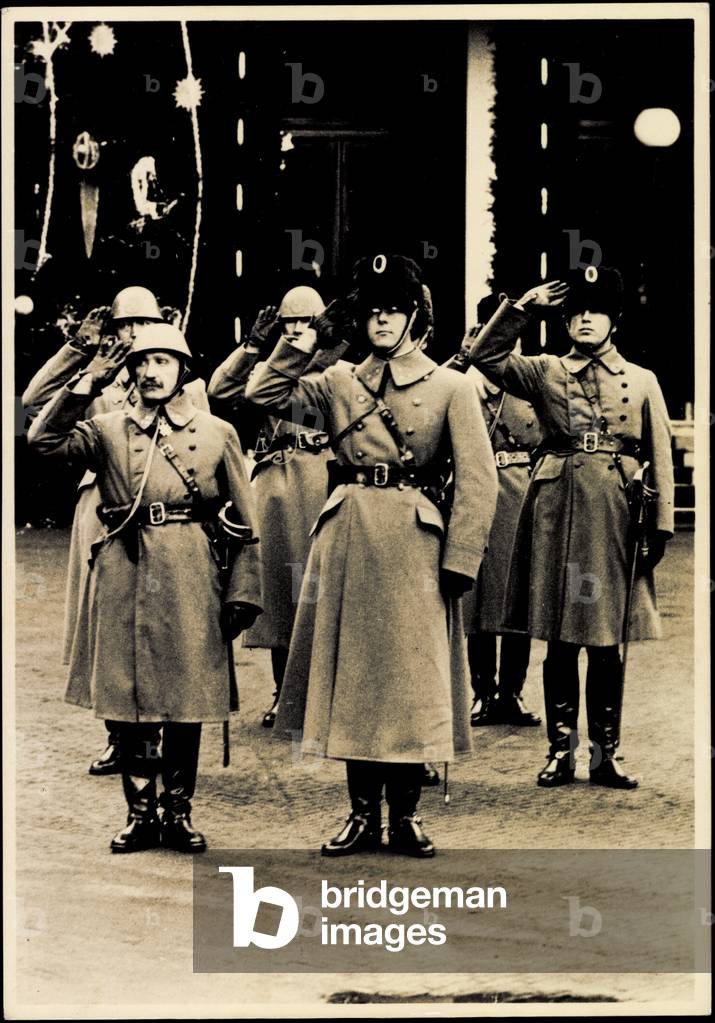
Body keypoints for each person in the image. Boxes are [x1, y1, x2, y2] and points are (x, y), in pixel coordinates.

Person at [245, 254, 497, 857]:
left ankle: (405, 815)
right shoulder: (338, 383)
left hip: (415, 542)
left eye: (393, 310)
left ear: (416, 316)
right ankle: (361, 813)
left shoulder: (451, 387)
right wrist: (311, 339)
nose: (381, 321)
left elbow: (479, 479)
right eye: (372, 310)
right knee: (356, 679)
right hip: (351, 533)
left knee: (409, 682)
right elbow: (260, 389)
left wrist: (461, 557)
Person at [28, 322, 262, 852]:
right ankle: (140, 813)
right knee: (126, 698)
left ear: (182, 370)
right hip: (124, 570)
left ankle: (177, 812)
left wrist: (245, 591)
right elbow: (42, 440)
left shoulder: (217, 431)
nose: (151, 371)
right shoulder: (108, 428)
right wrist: (87, 381)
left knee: (186, 697)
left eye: (163, 361)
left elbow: (247, 524)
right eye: (141, 362)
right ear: (128, 370)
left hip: (190, 573)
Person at [468, 268, 674, 789]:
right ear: (564, 320)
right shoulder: (545, 371)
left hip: (615, 515)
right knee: (560, 641)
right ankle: (561, 751)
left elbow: (660, 456)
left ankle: (606, 753)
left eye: (596, 309)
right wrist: (522, 307)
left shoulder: (642, 379)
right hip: (556, 512)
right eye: (576, 311)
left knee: (607, 643)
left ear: (614, 319)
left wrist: (661, 528)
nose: (585, 318)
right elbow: (485, 357)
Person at [22, 287, 210, 777]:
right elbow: (34, 407)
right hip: (103, 506)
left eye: (143, 323)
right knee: (108, 624)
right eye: (125, 325)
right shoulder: (103, 382)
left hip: (166, 514)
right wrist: (79, 356)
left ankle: (161, 737)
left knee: (168, 628)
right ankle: (118, 734)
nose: (132, 334)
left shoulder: (184, 383)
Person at [208, 286, 338, 728]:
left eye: (305, 322)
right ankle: (285, 693)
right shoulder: (270, 368)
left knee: (320, 589)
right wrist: (253, 347)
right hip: (276, 479)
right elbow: (220, 389)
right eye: (289, 323)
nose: (297, 330)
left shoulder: (336, 365)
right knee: (281, 589)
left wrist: (324, 347)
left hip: (319, 472)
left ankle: (322, 695)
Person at [450, 295, 544, 727]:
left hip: (520, 493)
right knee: (478, 598)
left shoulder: (530, 380)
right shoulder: (461, 384)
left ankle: (513, 692)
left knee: (516, 595)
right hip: (475, 495)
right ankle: (482, 691)